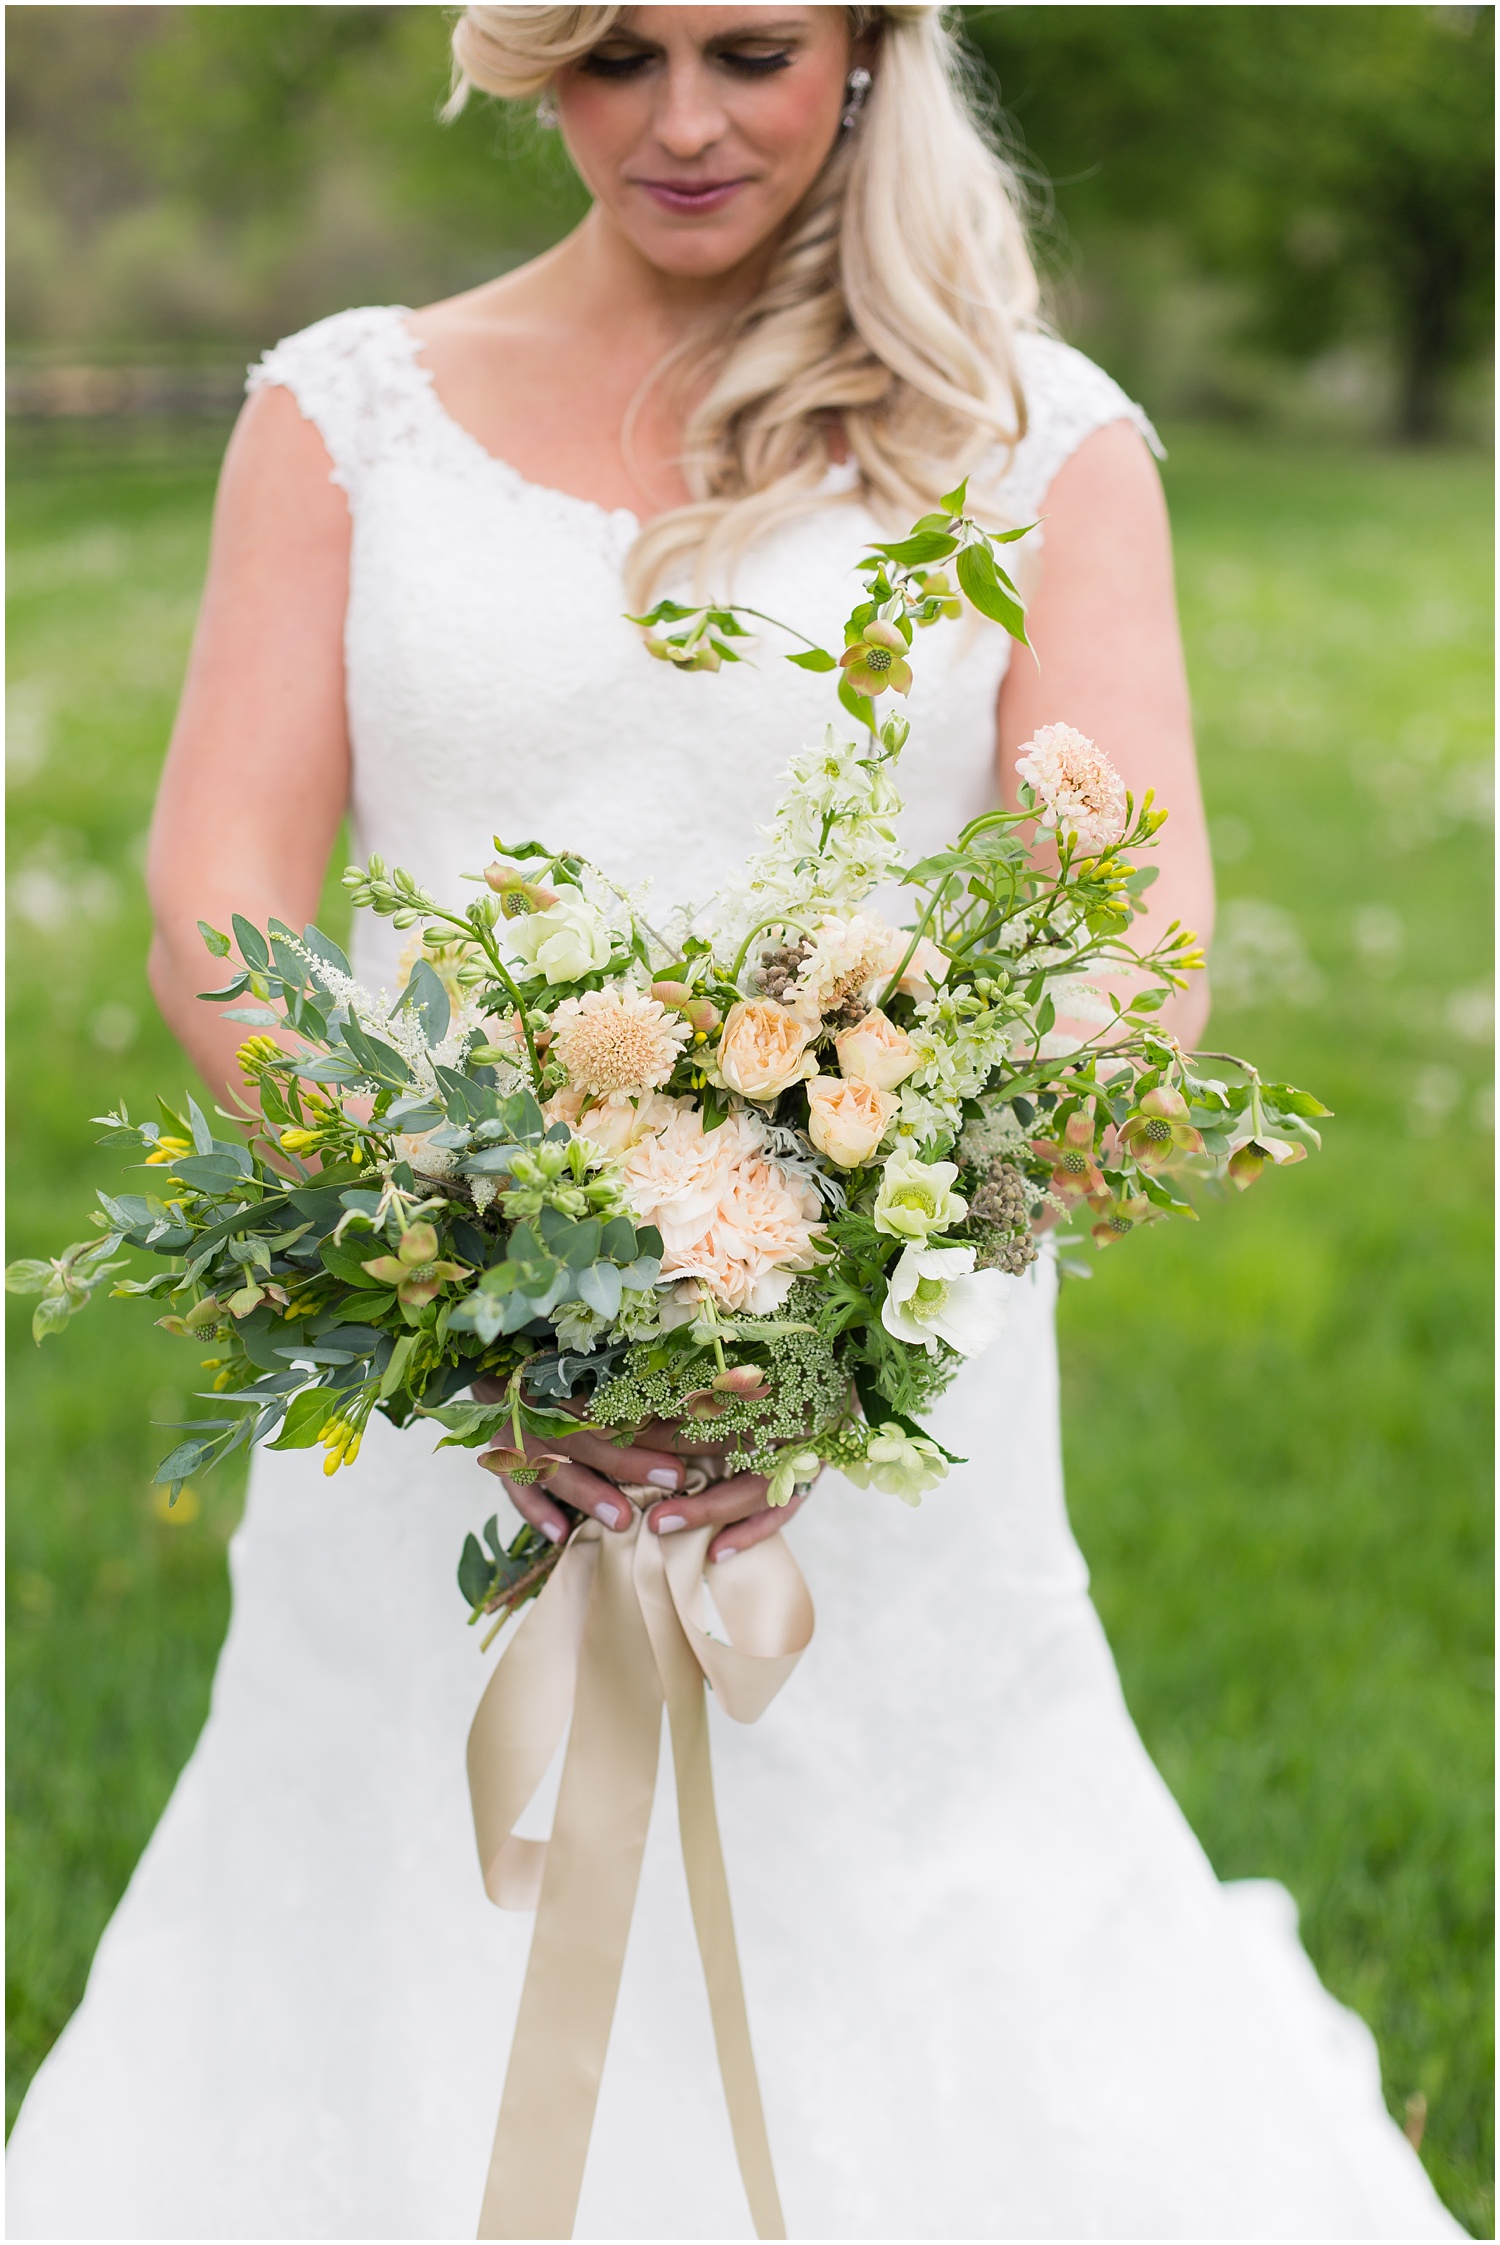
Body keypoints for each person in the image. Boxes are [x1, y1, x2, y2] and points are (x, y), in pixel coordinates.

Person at [5, 9, 1463, 2239]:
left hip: (880, 1379)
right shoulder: (345, 412)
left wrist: (837, 1305)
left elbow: (1131, 944)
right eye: (612, 59)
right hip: (441, 1374)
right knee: (393, 1918)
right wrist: (455, 1294)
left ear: (874, 48)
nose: (680, 122)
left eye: (752, 49)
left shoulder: (1036, 442)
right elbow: (219, 906)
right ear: (528, 70)